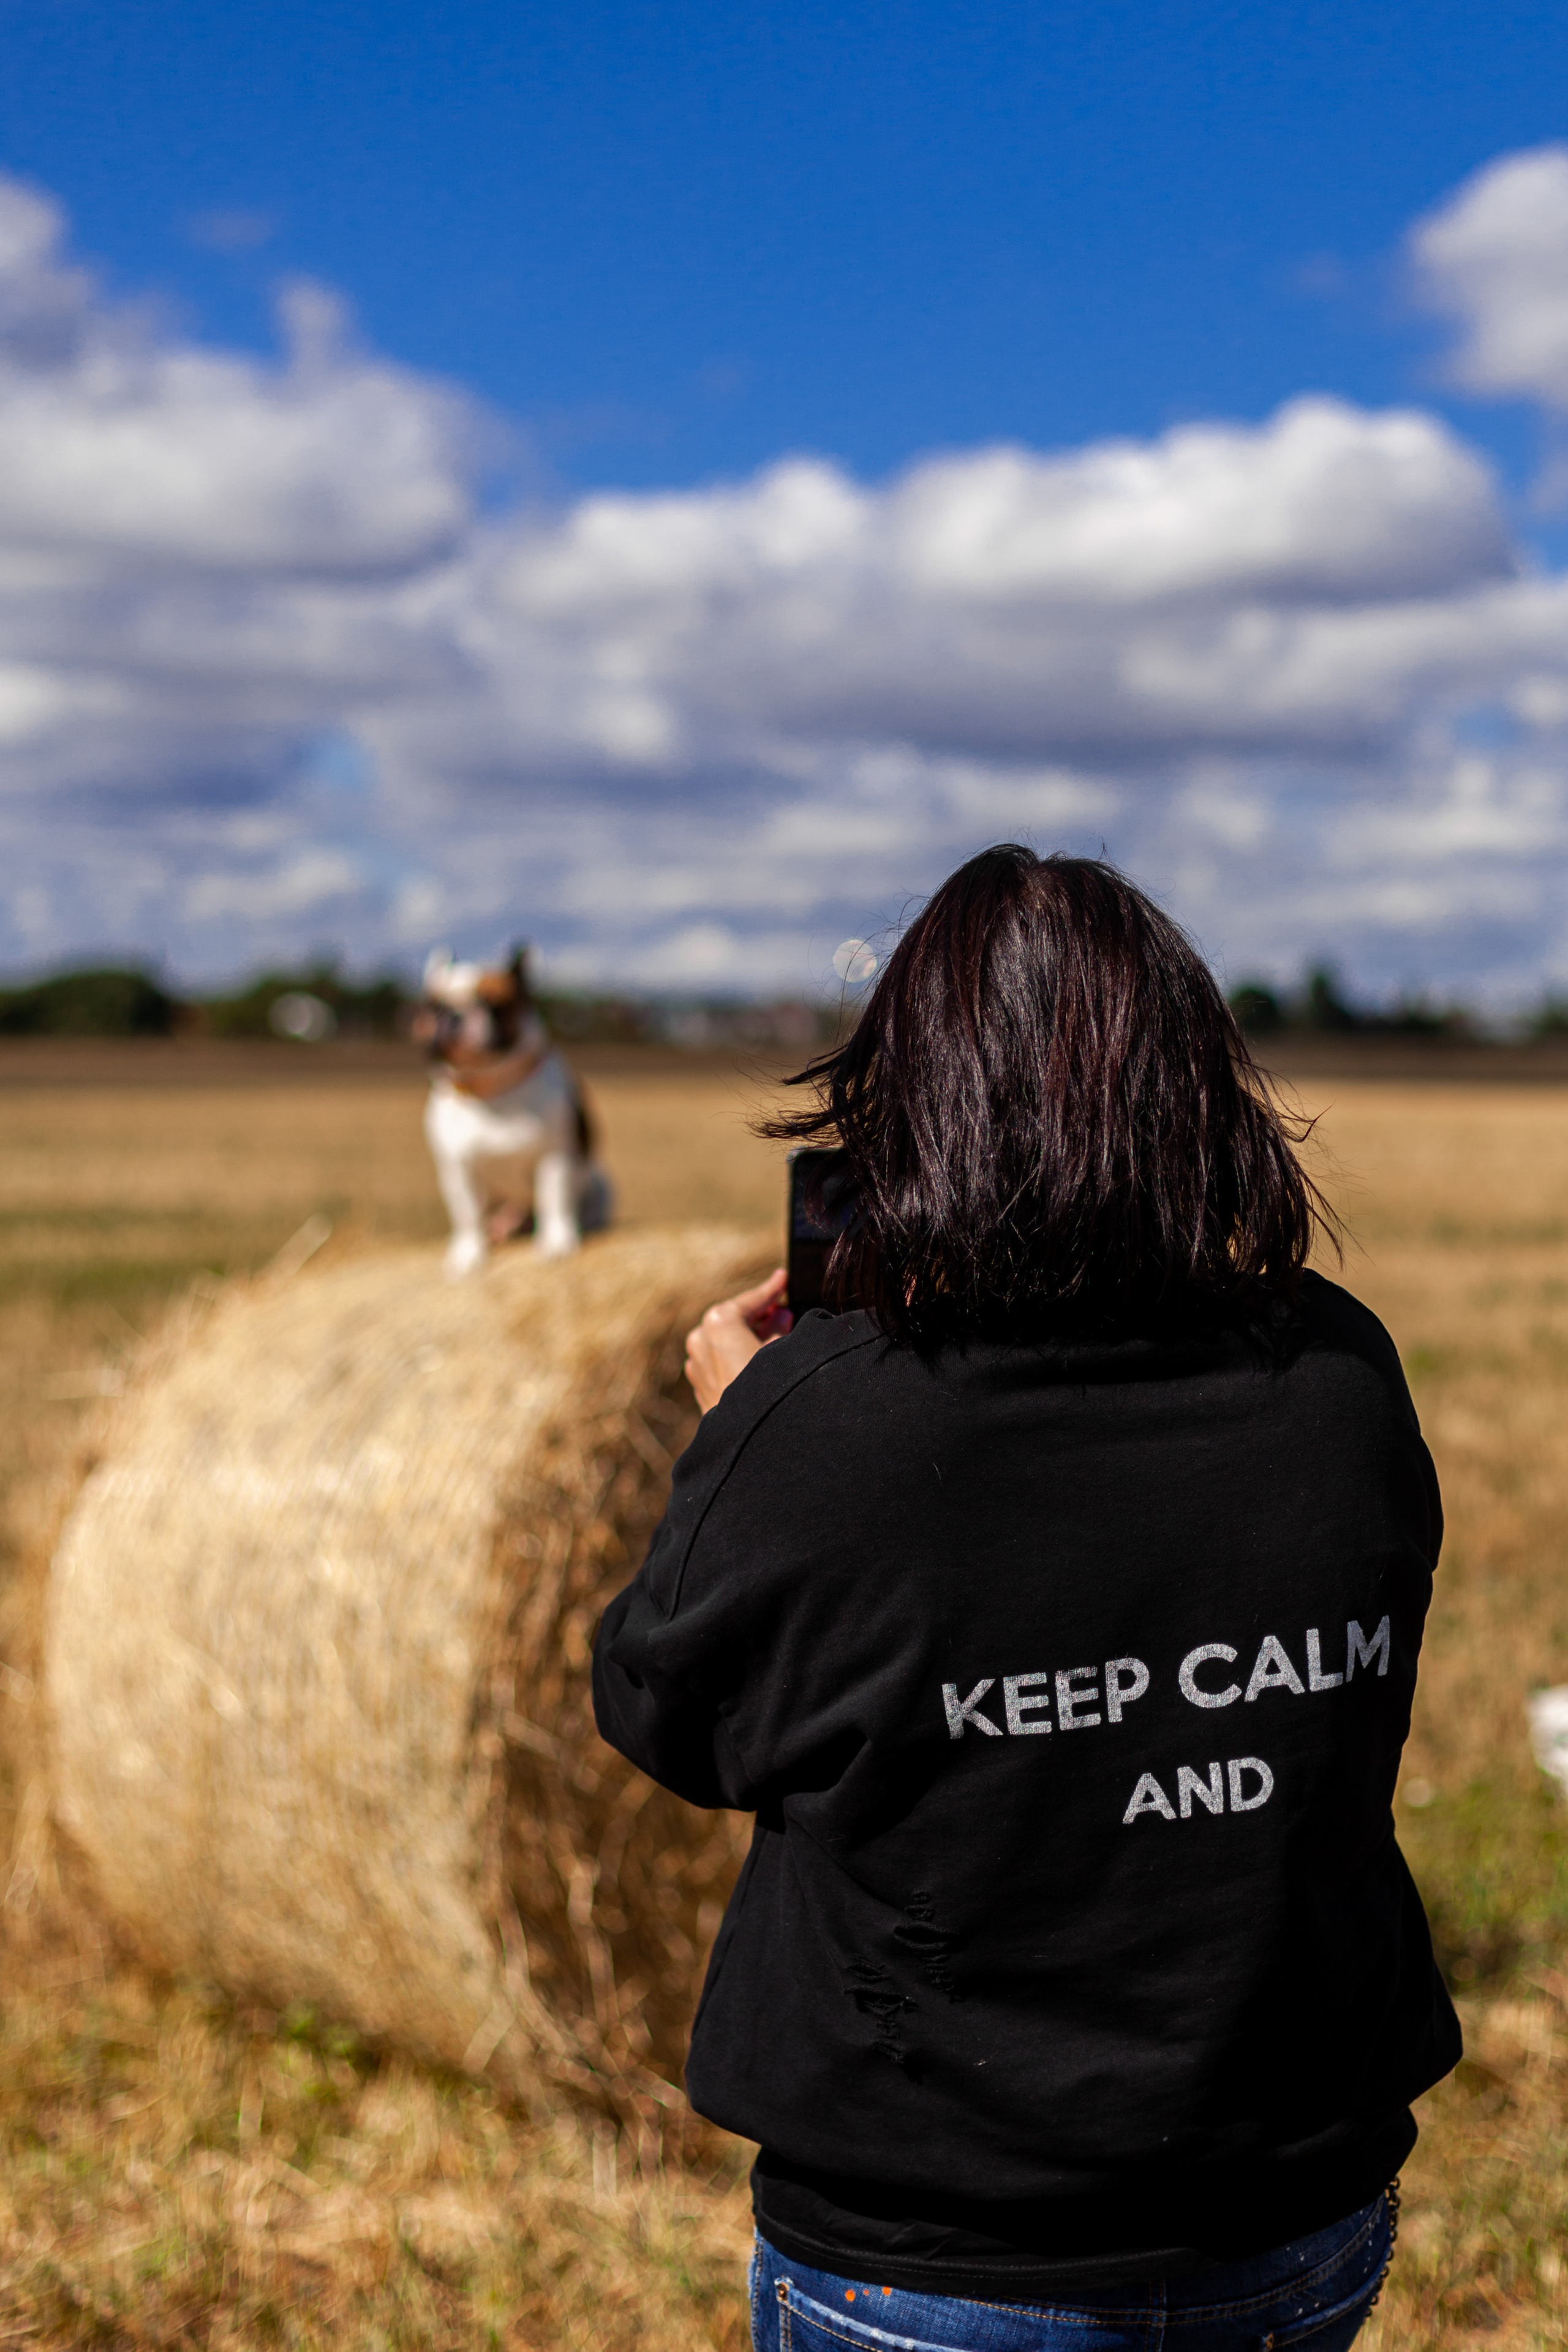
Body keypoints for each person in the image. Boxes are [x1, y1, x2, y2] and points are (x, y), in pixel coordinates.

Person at [592, 846, 1458, 2352]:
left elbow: (671, 1721)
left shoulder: (828, 1425)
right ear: (1197, 1097)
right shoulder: (1338, 1374)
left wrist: (751, 1429)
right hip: (1296, 2213)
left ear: (915, 1113)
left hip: (940, 2252)